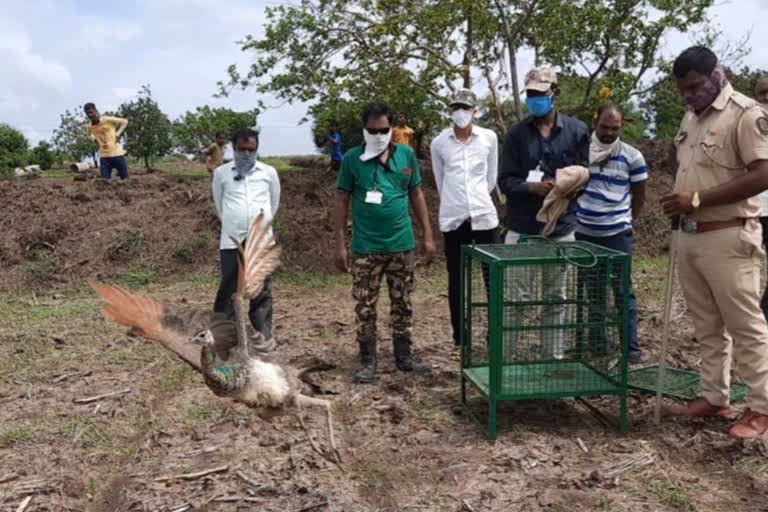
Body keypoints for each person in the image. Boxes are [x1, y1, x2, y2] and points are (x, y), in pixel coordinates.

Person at [660, 46, 768, 440]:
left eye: (695, 86)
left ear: (716, 74)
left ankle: (762, 406)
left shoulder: (746, 114)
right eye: (683, 90)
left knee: (746, 326)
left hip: (729, 235)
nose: (689, 95)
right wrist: (682, 200)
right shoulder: (692, 117)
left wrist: (700, 199)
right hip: (690, 235)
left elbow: (763, 174)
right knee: (707, 325)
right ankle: (714, 397)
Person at [334, 102, 436, 383]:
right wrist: (340, 243)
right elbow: (342, 199)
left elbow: (416, 194)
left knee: (402, 302)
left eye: (383, 130)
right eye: (372, 130)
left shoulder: (406, 156)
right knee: (365, 306)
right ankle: (368, 361)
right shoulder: (353, 159)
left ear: (392, 129)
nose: (378, 135)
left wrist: (427, 234)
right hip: (366, 247)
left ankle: (404, 357)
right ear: (363, 130)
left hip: (402, 245)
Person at [498, 66, 589, 360]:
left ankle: (553, 359)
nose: (536, 99)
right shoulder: (515, 136)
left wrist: (567, 188)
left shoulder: (577, 131)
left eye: (541, 93)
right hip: (523, 228)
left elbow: (586, 175)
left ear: (555, 94)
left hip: (561, 228)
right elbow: (505, 181)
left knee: (556, 298)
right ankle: (505, 362)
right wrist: (531, 189)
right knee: (515, 300)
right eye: (531, 94)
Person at [575, 103, 647, 364]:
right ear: (595, 122)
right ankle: (597, 345)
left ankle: (631, 349)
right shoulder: (580, 152)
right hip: (584, 233)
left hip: (617, 234)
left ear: (622, 127)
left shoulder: (632, 157)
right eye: (604, 127)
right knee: (592, 292)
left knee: (622, 291)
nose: (608, 133)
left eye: (614, 128)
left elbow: (640, 195)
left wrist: (627, 221)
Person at [430, 89, 499, 347]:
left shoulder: (489, 138)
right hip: (453, 217)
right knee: (457, 280)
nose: (460, 112)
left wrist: (477, 198)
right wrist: (457, 201)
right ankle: (461, 336)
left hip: (484, 215)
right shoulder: (439, 143)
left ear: (475, 111)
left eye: (465, 108)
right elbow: (440, 180)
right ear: (450, 111)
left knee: (492, 277)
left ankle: (495, 333)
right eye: (456, 107)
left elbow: (491, 177)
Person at [212, 128, 280, 350]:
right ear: (234, 148)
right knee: (230, 288)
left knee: (261, 289)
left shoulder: (268, 173)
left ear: (257, 149)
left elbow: (274, 203)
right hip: (232, 239)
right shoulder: (221, 173)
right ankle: (228, 338)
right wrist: (236, 222)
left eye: (251, 150)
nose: (247, 154)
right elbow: (220, 205)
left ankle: (263, 336)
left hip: (260, 241)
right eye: (242, 149)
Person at [84, 103, 129, 180]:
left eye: (91, 112)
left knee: (125, 180)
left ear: (96, 111)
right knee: (104, 183)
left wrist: (118, 134)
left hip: (117, 154)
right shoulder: (90, 126)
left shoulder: (106, 120)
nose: (90, 115)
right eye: (87, 113)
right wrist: (94, 139)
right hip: (104, 157)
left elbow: (124, 121)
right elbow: (89, 135)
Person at [754, 77, 768, 319]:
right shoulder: (749, 125)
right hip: (752, 209)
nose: (767, 97)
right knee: (746, 270)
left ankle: (762, 316)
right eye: (762, 93)